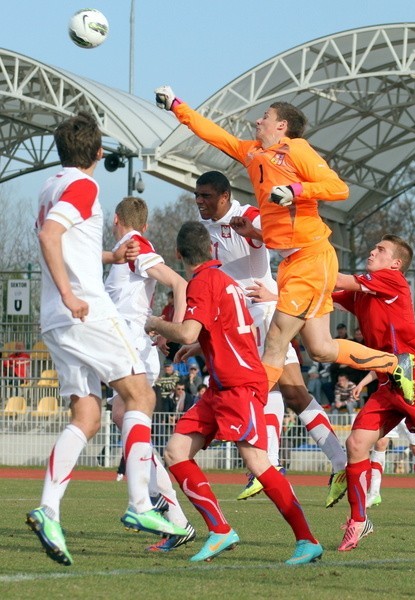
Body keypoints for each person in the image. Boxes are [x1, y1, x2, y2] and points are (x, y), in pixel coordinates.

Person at [154, 85, 415, 408]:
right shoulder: (253, 153)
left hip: (312, 258)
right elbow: (215, 135)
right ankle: (394, 363)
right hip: (294, 261)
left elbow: (339, 188)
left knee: (276, 338)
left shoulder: (296, 149)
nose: (257, 121)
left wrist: (295, 190)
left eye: (265, 116)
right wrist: (177, 106)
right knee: (321, 348)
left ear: (281, 126)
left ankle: (246, 405)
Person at [26, 112, 187, 567]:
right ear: (99, 152)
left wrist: (112, 255)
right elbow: (50, 235)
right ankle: (140, 503)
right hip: (85, 310)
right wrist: (70, 292)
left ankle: (49, 510)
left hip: (54, 321)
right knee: (139, 393)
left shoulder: (49, 185)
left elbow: (63, 238)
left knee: (88, 413)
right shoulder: (86, 185)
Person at [145, 220, 322, 565]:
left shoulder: (202, 283)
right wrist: (199, 349)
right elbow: (226, 328)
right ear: (211, 250)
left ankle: (307, 539)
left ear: (178, 253)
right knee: (176, 452)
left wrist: (153, 322)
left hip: (239, 386)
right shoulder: (224, 281)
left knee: (257, 462)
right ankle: (220, 530)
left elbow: (185, 331)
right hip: (221, 386)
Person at [192, 170, 347, 507]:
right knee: (288, 391)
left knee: (274, 388)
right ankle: (335, 461)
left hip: (262, 314)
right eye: (197, 196)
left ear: (224, 196)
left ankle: (276, 463)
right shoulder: (205, 225)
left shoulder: (246, 215)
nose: (200, 202)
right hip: (241, 318)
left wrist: (274, 289)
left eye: (206, 196)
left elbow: (292, 245)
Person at [332, 234, 415, 552]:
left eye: (380, 250)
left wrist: (311, 256)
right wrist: (275, 291)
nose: (372, 251)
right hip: (388, 377)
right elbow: (328, 292)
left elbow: (336, 278)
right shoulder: (366, 292)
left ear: (395, 263)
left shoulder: (391, 279)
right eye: (374, 247)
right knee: (356, 444)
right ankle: (358, 520)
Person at [103, 195, 194, 553]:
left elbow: (178, 282)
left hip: (135, 346)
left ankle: (159, 506)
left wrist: (173, 327)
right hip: (125, 345)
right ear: (144, 223)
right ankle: (167, 511)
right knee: (121, 415)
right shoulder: (125, 246)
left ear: (115, 219)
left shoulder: (135, 246)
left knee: (126, 414)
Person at [353, 371, 415, 511]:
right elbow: (378, 368)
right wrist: (362, 384)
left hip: (410, 404)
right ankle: (374, 493)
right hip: (390, 403)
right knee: (380, 442)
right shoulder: (388, 351)